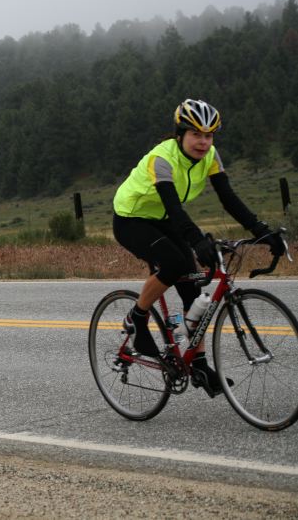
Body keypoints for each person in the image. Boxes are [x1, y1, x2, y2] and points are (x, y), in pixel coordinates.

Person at [112, 99, 286, 396]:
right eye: (196, 134)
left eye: (209, 135)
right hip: (132, 218)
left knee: (194, 292)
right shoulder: (162, 158)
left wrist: (261, 231)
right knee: (174, 264)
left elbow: (228, 198)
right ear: (180, 134)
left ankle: (200, 365)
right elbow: (174, 207)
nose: (203, 142)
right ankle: (137, 319)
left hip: (164, 219)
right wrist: (196, 240)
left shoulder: (211, 157)